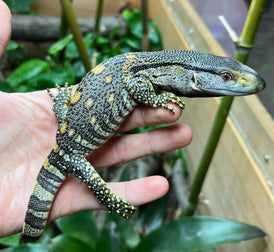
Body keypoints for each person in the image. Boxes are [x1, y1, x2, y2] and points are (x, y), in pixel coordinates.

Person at [0, 0, 192, 238]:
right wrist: (156, 100)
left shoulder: (141, 67)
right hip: (70, 151)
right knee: (94, 180)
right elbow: (135, 86)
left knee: (82, 159)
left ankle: (30, 237)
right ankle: (110, 202)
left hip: (67, 135)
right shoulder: (139, 73)